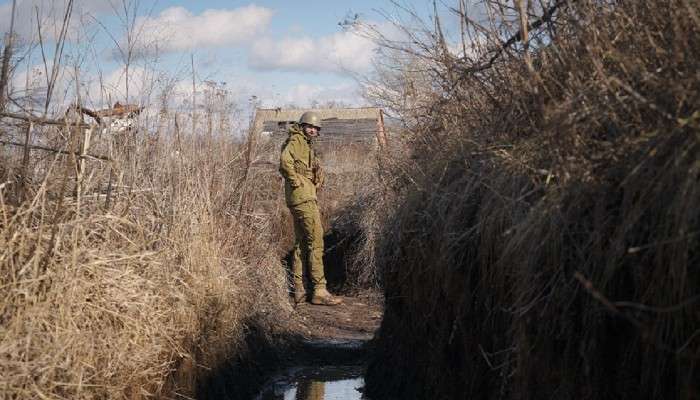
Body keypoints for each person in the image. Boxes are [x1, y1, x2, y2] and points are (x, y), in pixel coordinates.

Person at [279, 111, 342, 306]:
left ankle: (299, 289)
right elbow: (285, 161)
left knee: (300, 243)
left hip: (300, 197)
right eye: (310, 126)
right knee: (316, 242)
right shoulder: (297, 141)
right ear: (303, 126)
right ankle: (319, 290)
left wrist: (314, 174)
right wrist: (296, 180)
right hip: (303, 197)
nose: (313, 130)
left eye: (316, 128)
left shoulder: (304, 144)